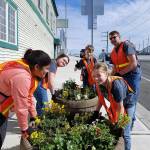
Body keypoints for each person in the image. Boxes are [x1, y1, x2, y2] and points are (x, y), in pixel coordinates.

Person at [0, 49, 51, 149]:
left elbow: (28, 96)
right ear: (37, 66)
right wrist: (24, 129)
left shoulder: (28, 70)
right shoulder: (22, 76)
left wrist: (34, 116)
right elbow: (21, 106)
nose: (48, 71)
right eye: (47, 68)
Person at [92, 62, 136, 150]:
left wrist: (119, 122)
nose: (96, 78)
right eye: (94, 76)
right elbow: (101, 99)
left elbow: (120, 107)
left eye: (99, 75)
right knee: (114, 125)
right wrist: (96, 112)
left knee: (125, 132)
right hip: (117, 102)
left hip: (128, 102)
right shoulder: (99, 84)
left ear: (106, 74)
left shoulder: (116, 85)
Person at [109, 31, 141, 126]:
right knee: (125, 98)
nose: (112, 40)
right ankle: (128, 119)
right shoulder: (113, 52)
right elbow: (115, 67)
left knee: (131, 98)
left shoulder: (126, 45)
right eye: (110, 39)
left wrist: (120, 73)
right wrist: (110, 77)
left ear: (119, 37)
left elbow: (133, 64)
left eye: (114, 37)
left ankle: (130, 122)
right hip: (122, 75)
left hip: (132, 75)